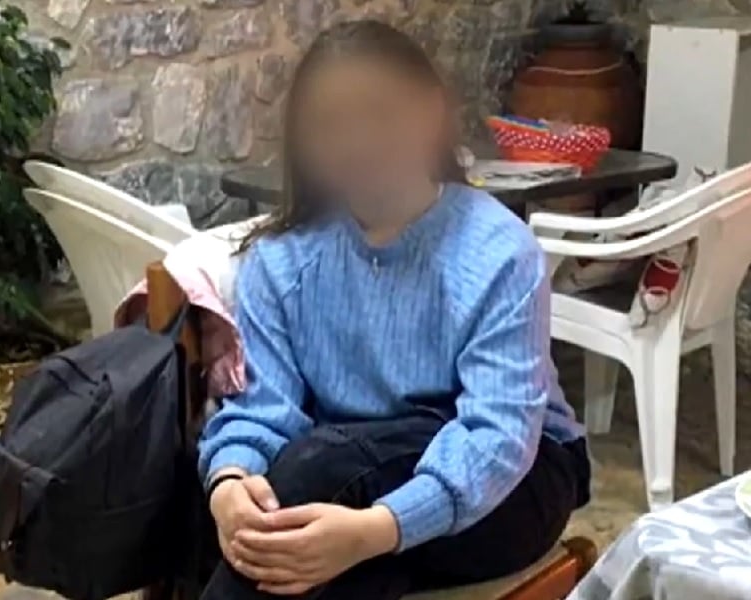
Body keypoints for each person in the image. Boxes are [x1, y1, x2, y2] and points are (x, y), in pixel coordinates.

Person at [197, 19, 590, 600]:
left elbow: (499, 433)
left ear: (431, 113)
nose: (357, 141)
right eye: (330, 124)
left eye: (380, 113)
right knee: (287, 535)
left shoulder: (497, 252)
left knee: (317, 477)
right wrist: (229, 481)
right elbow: (262, 409)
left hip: (517, 477)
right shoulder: (279, 262)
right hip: (351, 471)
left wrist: (377, 530)